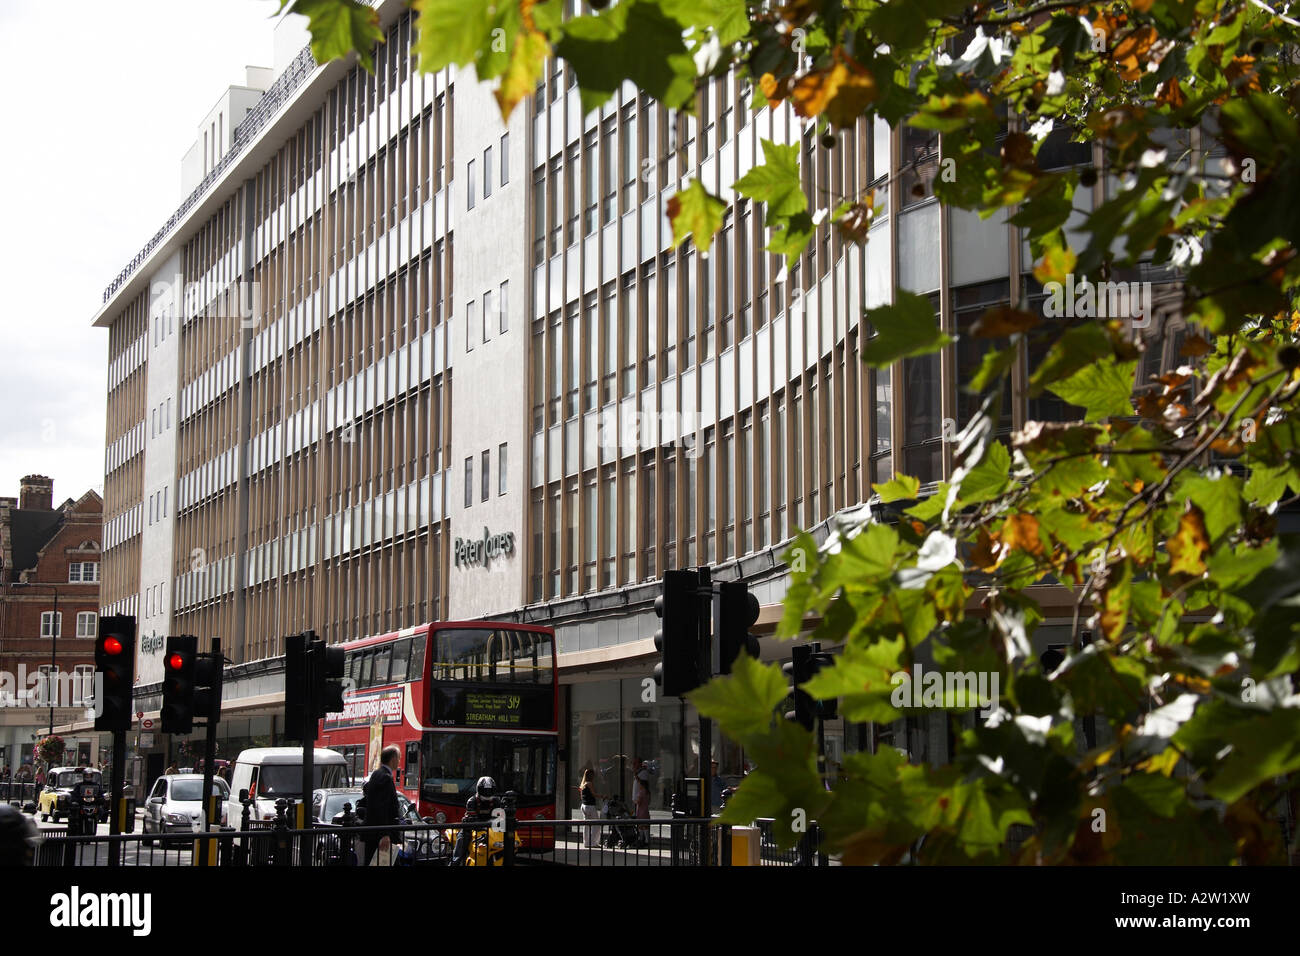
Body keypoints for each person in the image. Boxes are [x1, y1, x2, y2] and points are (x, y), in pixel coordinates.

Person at [362, 745, 402, 865]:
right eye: (398, 758)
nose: (399, 761)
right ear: (393, 758)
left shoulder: (376, 774)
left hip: (374, 833)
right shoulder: (385, 777)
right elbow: (381, 807)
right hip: (381, 835)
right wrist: (384, 834)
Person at [453, 776, 500, 865]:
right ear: (478, 789)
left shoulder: (496, 801)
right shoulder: (472, 801)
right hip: (471, 828)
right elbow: (473, 820)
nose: (487, 793)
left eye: (490, 791)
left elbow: (499, 818)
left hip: (490, 829)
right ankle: (454, 862)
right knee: (463, 839)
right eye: (485, 790)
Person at [578, 770, 601, 848]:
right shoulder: (589, 783)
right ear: (590, 776)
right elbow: (593, 794)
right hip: (590, 806)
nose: (594, 777)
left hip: (584, 806)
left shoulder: (583, 784)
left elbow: (581, 797)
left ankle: (586, 843)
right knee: (596, 825)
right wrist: (603, 796)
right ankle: (593, 843)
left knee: (586, 825)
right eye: (593, 775)